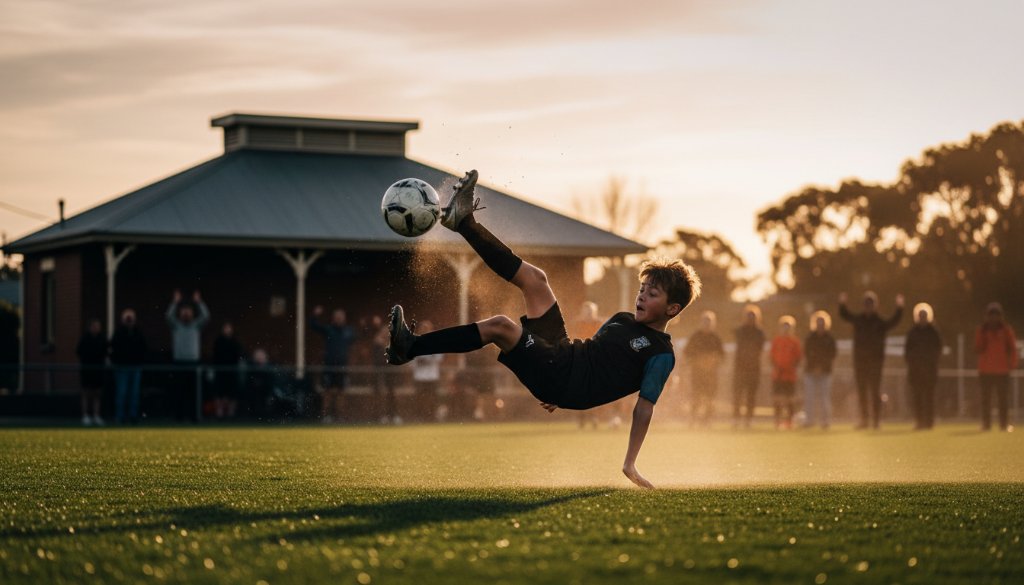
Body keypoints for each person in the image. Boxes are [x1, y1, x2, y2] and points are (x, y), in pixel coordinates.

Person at [385, 170, 701, 489]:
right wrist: (552, 387)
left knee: (501, 327)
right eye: (643, 288)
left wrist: (630, 462)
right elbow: (597, 354)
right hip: (563, 359)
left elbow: (644, 408)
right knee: (535, 279)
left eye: (653, 293)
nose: (642, 295)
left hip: (564, 376)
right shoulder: (622, 318)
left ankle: (408, 347)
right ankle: (462, 222)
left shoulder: (661, 354)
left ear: (672, 309)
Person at [838, 291, 904, 429]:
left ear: (875, 305)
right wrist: (842, 303)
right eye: (866, 304)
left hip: (876, 363)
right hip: (860, 362)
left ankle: (876, 421)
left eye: (871, 304)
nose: (868, 307)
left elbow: (893, 321)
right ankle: (864, 420)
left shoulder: (879, 322)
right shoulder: (859, 320)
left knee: (875, 392)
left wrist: (900, 308)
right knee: (862, 392)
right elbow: (845, 315)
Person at [166, 289, 210, 422]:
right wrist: (175, 302)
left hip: (193, 362)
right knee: (178, 392)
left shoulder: (196, 325)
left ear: (192, 314)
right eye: (183, 312)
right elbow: (168, 316)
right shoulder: (176, 325)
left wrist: (199, 302)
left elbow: (206, 316)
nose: (186, 314)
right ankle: (178, 416)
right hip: (179, 362)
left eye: (188, 312)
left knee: (194, 393)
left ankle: (194, 417)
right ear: (180, 314)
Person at [974, 302, 1018, 431]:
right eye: (991, 315)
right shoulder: (982, 330)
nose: (993, 318)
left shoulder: (1006, 330)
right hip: (985, 370)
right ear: (987, 316)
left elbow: (1012, 349)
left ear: (1000, 316)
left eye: (996, 315)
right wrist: (983, 336)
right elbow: (977, 348)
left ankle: (1003, 425)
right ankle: (986, 424)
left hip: (1002, 370)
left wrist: (1012, 364)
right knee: (985, 400)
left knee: (1003, 400)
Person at [310, 305, 356, 422]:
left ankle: (340, 417)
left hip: (343, 367)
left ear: (344, 318)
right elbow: (313, 326)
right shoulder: (328, 329)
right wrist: (315, 315)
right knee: (328, 392)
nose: (339, 318)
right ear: (333, 318)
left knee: (341, 392)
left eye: (341, 316)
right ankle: (326, 416)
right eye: (337, 316)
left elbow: (361, 338)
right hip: (329, 366)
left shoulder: (349, 331)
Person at [905, 303, 943, 430]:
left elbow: (938, 349)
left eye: (924, 316)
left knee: (929, 398)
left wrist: (931, 363)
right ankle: (919, 421)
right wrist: (913, 364)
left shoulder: (933, 332)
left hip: (930, 370)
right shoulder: (912, 332)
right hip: (915, 371)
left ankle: (929, 422)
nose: (922, 318)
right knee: (917, 398)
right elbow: (908, 351)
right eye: (920, 316)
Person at [683, 311, 725, 427]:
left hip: (711, 374)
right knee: (696, 397)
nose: (707, 324)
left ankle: (707, 421)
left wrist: (713, 361)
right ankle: (693, 419)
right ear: (701, 322)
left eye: (709, 322)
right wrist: (696, 360)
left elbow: (721, 355)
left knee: (710, 398)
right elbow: (687, 352)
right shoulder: (695, 336)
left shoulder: (715, 338)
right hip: (697, 373)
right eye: (705, 321)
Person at [109, 308, 147, 424]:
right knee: (122, 393)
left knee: (134, 394)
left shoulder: (138, 332)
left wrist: (140, 361)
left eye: (131, 318)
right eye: (127, 318)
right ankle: (120, 417)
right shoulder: (119, 333)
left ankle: (133, 416)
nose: (129, 320)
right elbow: (113, 348)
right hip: (121, 367)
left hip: (135, 367)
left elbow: (143, 348)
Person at [732, 304, 766, 429]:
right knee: (738, 395)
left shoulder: (760, 332)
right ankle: (736, 418)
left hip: (753, 369)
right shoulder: (740, 331)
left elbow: (759, 349)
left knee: (751, 396)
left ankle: (749, 419)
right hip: (740, 368)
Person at [572, 301, 605, 429]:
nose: (588, 314)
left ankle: (594, 417)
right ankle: (582, 419)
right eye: (586, 312)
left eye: (590, 312)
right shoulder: (578, 324)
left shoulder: (599, 324)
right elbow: (573, 339)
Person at [803, 311, 837, 430]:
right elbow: (807, 353)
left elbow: (832, 354)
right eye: (818, 322)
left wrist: (822, 367)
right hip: (810, 372)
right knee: (809, 397)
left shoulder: (830, 338)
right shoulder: (810, 337)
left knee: (824, 397)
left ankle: (825, 421)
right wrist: (814, 367)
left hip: (825, 372)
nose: (820, 325)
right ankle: (809, 420)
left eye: (822, 322)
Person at [770, 316, 802, 430]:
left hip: (789, 375)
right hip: (777, 374)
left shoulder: (795, 342)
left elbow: (798, 358)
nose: (786, 330)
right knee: (777, 398)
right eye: (784, 327)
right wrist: (777, 367)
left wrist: (789, 367)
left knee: (789, 399)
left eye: (788, 327)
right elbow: (771, 356)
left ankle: (789, 421)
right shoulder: (776, 341)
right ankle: (777, 420)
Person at [75, 318, 107, 426]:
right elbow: (79, 351)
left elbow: (106, 351)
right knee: (86, 392)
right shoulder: (85, 338)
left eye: (98, 326)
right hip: (87, 369)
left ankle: (96, 415)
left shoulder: (102, 339)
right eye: (94, 326)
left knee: (97, 393)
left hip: (98, 370)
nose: (96, 328)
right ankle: (85, 415)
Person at [211, 322, 245, 419]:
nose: (227, 330)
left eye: (229, 328)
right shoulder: (218, 341)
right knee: (219, 392)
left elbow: (238, 355)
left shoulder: (235, 341)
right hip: (220, 371)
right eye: (225, 328)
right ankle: (219, 412)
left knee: (232, 393)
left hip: (232, 371)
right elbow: (215, 355)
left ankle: (231, 413)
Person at [411, 320, 442, 422]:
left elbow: (439, 358)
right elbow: (412, 358)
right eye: (423, 328)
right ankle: (420, 416)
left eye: (427, 328)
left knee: (432, 398)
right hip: (419, 376)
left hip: (432, 376)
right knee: (419, 398)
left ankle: (432, 416)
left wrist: (426, 359)